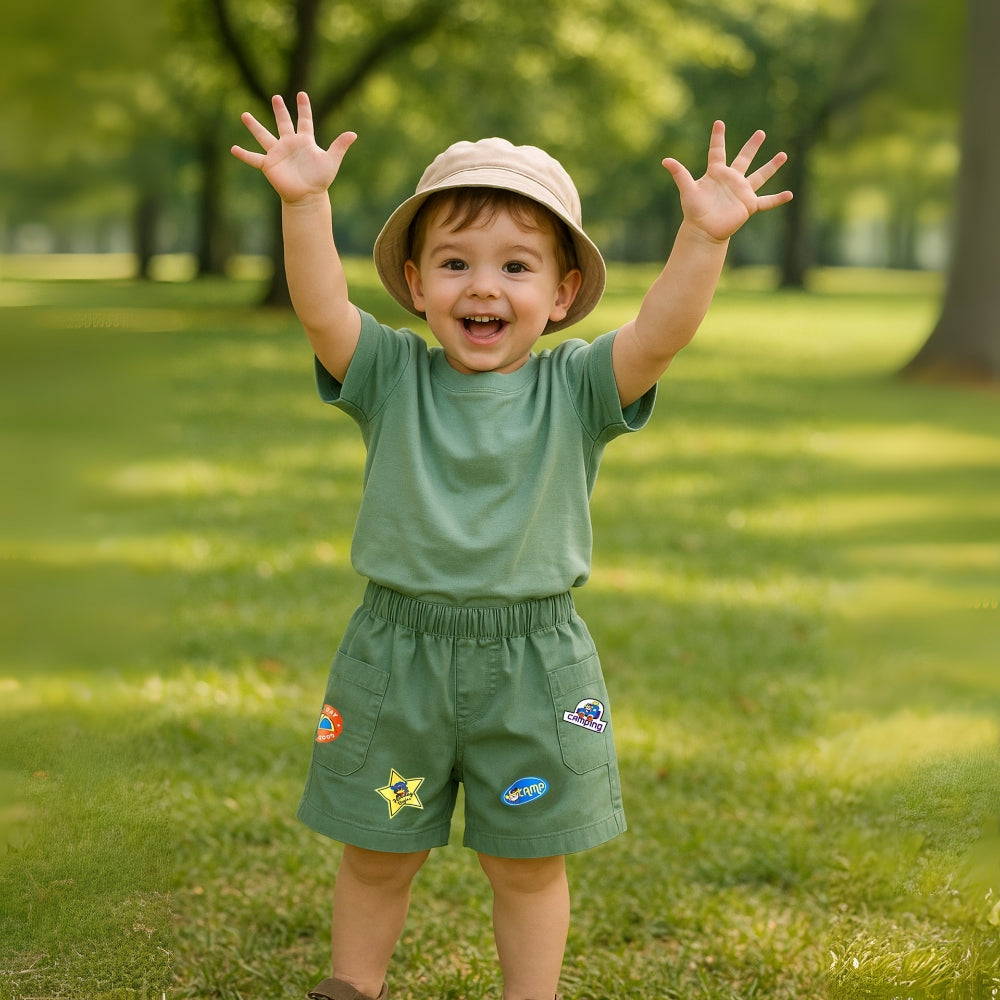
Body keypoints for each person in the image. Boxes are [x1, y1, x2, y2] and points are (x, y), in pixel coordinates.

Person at [231, 92, 791, 1000]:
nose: (482, 287)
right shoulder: (387, 372)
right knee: (375, 853)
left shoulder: (577, 388)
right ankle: (350, 987)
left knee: (527, 865)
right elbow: (321, 307)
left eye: (516, 266)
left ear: (562, 292)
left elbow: (661, 333)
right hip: (395, 655)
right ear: (415, 285)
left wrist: (706, 240)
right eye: (454, 263)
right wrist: (304, 206)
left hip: (535, 665)